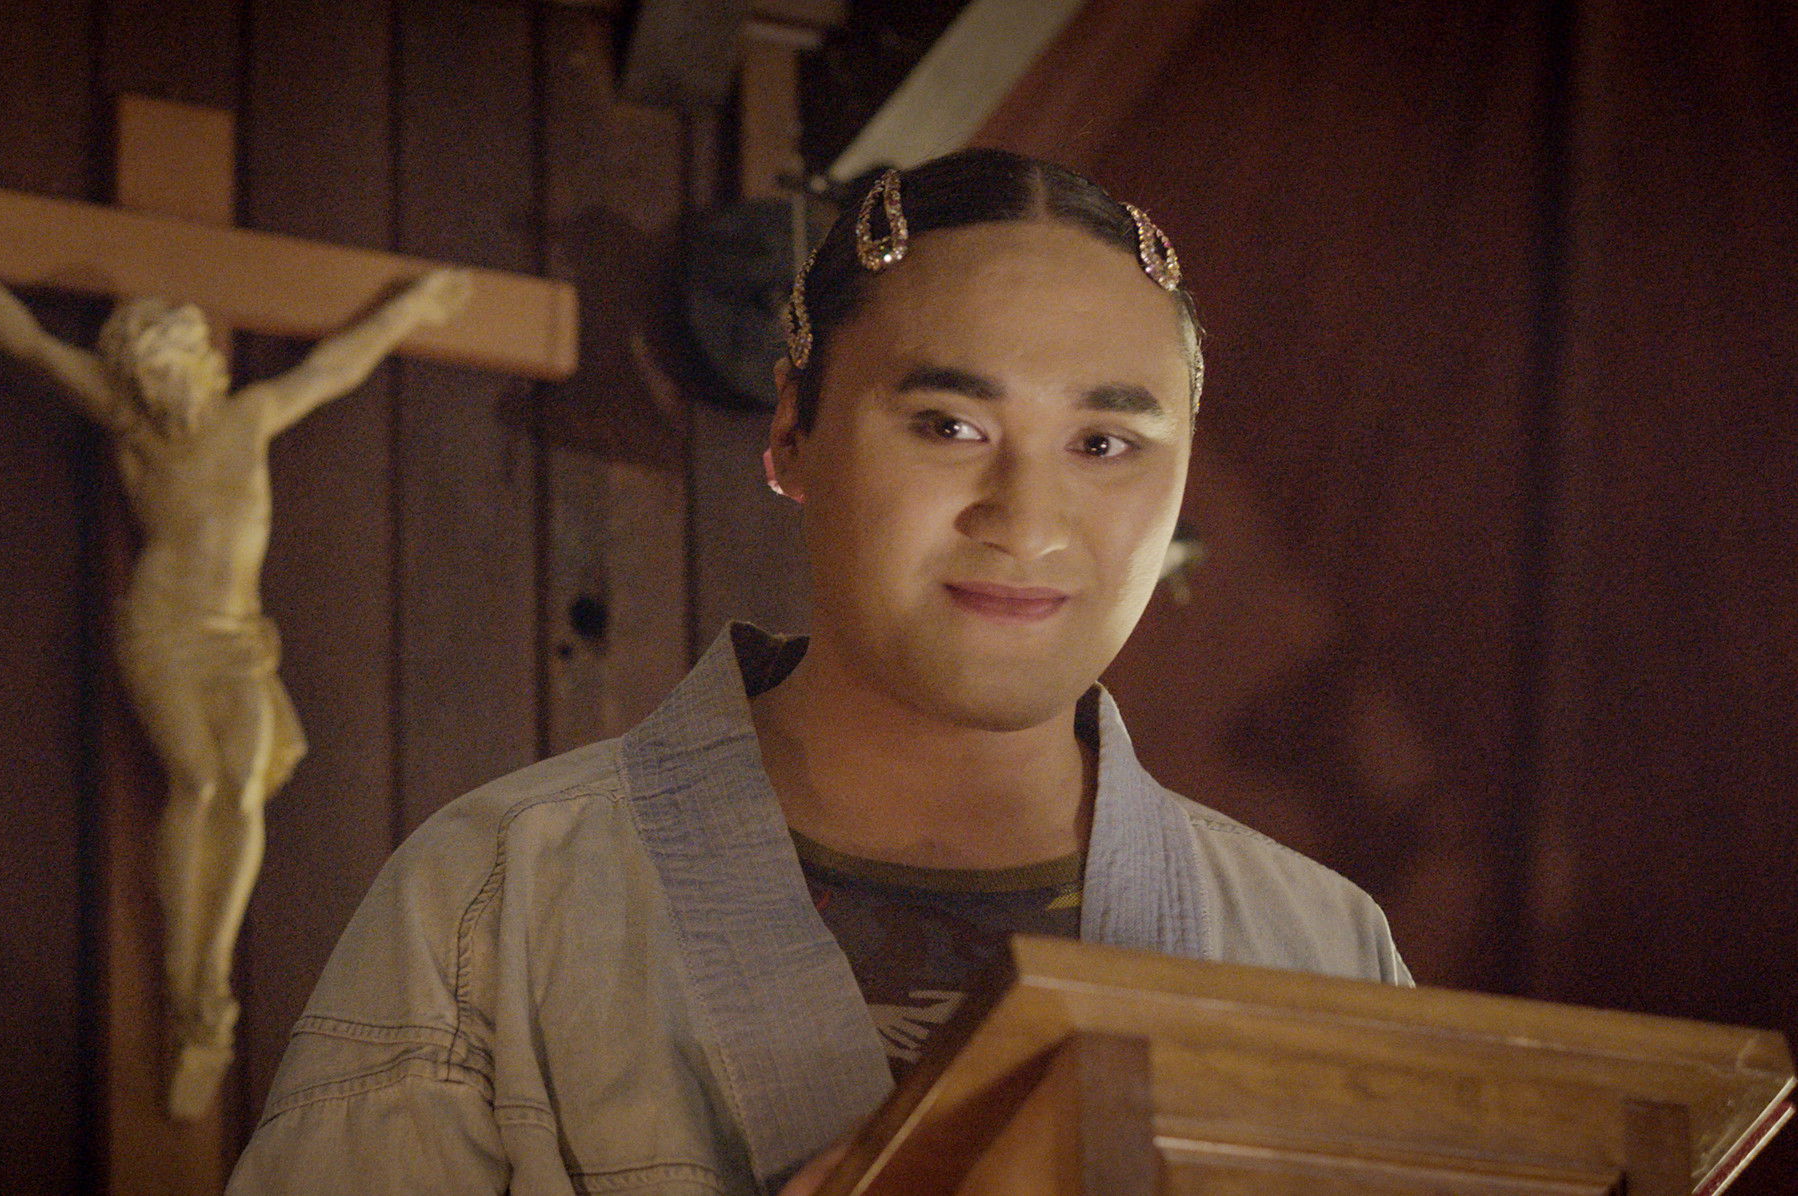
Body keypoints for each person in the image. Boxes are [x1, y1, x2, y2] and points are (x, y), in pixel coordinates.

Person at [227, 149, 1408, 1194]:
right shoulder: (496, 899)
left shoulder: (1316, 946)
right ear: (792, 433)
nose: (1026, 518)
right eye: (948, 425)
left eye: (1104, 444)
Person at [0, 175, 472, 1116]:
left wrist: (411, 308)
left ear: (205, 367)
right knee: (196, 780)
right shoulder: (130, 426)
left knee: (240, 786)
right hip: (162, 635)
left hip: (237, 641)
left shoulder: (249, 418)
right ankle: (189, 989)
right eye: (151, 383)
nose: (168, 397)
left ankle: (208, 982)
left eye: (177, 377)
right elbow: (23, 339)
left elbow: (335, 367)